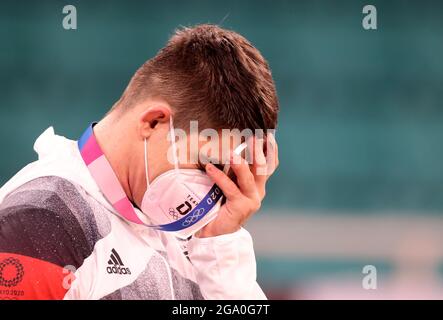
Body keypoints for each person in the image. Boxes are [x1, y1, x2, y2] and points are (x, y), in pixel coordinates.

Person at [0, 24, 279, 300]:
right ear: (154, 122)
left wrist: (222, 248)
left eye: (225, 175)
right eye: (207, 165)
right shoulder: (46, 217)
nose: (210, 196)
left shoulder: (195, 240)